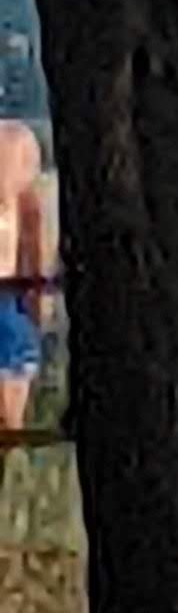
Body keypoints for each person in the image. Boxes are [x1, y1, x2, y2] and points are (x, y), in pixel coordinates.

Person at [0, 120, 46, 430]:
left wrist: (36, 299)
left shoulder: (15, 143)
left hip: (7, 299)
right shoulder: (15, 143)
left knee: (8, 428)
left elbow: (33, 226)